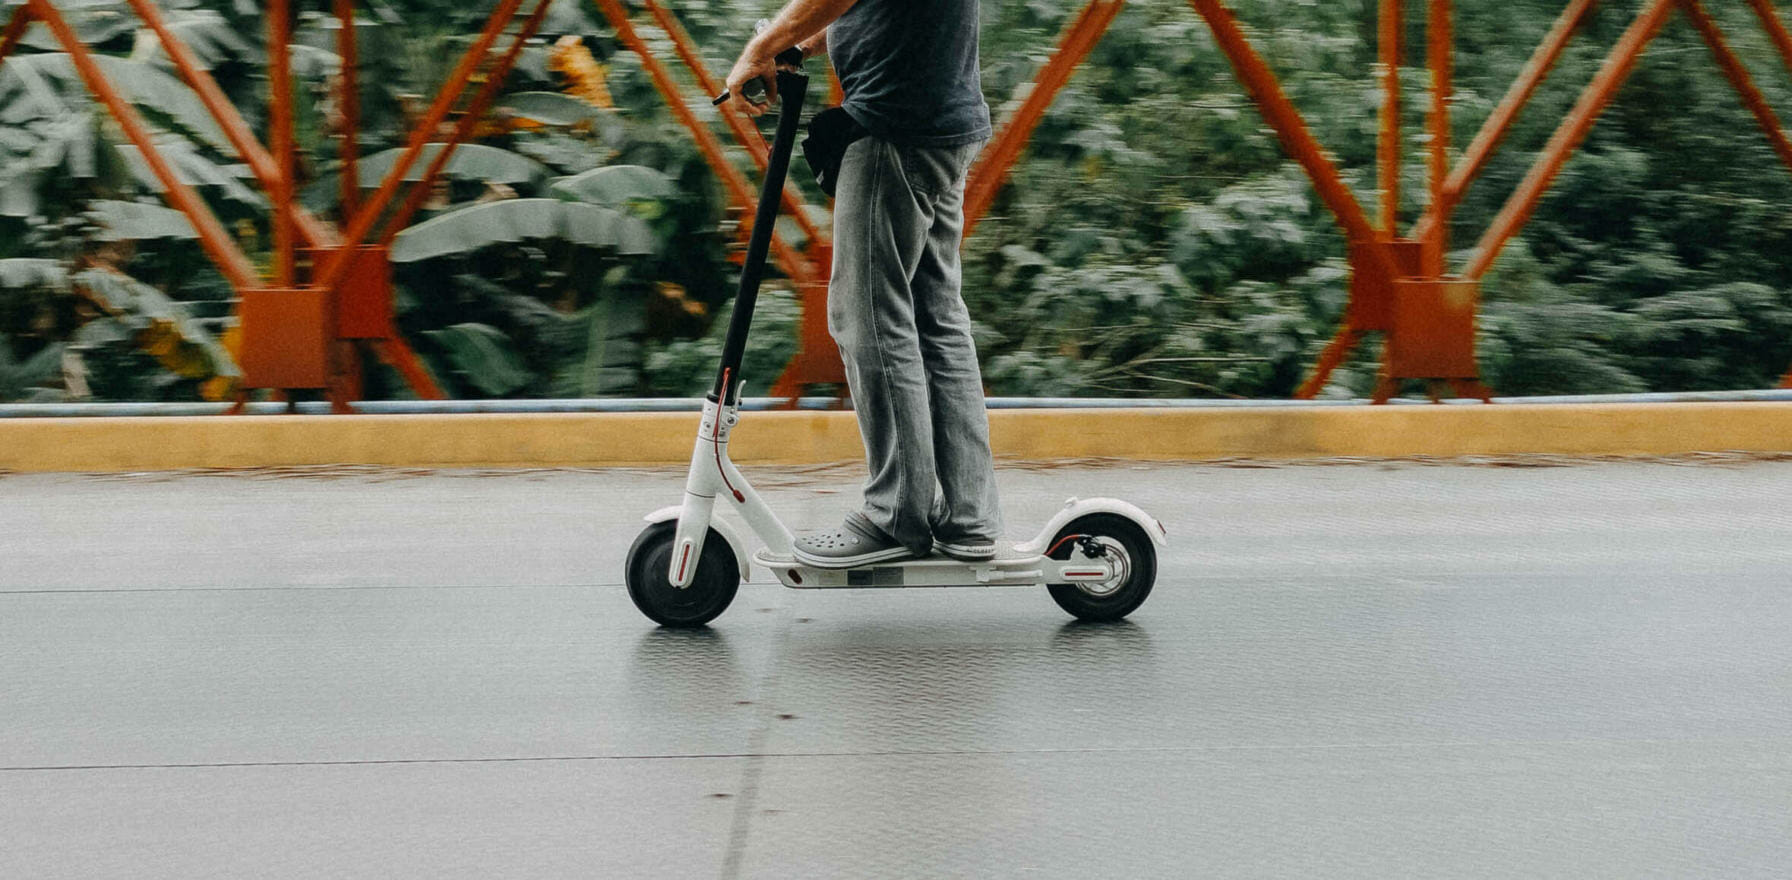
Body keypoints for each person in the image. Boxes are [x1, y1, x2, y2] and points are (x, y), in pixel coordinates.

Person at [726, 0, 1002, 569]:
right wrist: (798, 45)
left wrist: (760, 46)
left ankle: (896, 517)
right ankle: (970, 518)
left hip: (894, 129)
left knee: (869, 318)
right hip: (944, 123)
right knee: (936, 321)